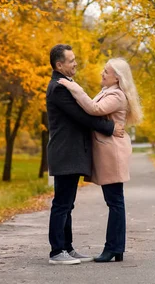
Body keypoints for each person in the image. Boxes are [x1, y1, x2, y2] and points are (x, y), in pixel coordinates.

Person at [58, 57, 143, 263]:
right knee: (114, 201)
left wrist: (73, 87)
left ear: (117, 78)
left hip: (112, 153)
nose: (102, 74)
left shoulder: (116, 95)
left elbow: (94, 110)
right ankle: (116, 247)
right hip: (108, 151)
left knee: (115, 201)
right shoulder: (108, 92)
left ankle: (113, 247)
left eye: (106, 71)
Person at [46, 44, 125, 265]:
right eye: (71, 61)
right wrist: (110, 128)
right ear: (59, 65)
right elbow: (82, 116)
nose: (75, 63)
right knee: (62, 203)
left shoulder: (66, 84)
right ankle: (56, 252)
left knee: (67, 204)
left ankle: (67, 248)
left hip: (71, 153)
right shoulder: (59, 88)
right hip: (65, 152)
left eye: (75, 59)